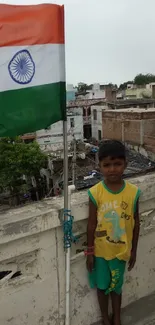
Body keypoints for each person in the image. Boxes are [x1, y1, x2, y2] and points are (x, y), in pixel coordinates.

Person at [86, 140, 141, 325]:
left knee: (116, 287)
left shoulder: (133, 193)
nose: (112, 169)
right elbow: (91, 225)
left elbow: (136, 223)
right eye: (107, 165)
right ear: (99, 166)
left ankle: (116, 317)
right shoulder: (96, 192)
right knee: (102, 287)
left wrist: (133, 250)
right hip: (101, 252)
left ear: (125, 164)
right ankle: (105, 319)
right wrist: (90, 252)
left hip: (121, 252)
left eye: (117, 164)